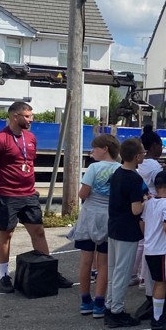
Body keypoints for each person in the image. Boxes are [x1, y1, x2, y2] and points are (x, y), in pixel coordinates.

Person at [0, 101, 72, 293]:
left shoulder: (30, 138)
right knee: (6, 234)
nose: (31, 120)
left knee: (38, 231)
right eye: (28, 116)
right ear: (15, 116)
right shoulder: (0, 140)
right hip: (7, 195)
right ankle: (4, 276)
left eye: (32, 116)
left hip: (29, 194)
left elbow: (27, 163)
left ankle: (49, 272)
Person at [67, 134, 121, 318]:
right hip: (109, 218)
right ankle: (99, 302)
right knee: (104, 262)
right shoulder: (120, 169)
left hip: (89, 217)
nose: (92, 153)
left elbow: (83, 194)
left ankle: (85, 301)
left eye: (94, 149)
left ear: (105, 149)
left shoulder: (94, 168)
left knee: (86, 260)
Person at [104, 138, 148, 328]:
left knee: (113, 270)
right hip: (128, 230)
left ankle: (110, 305)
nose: (144, 155)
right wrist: (147, 201)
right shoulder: (134, 178)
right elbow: (136, 210)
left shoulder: (117, 173)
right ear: (137, 156)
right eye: (143, 153)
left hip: (114, 226)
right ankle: (117, 311)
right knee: (123, 272)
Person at [140, 170, 166, 330]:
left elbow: (142, 223)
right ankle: (157, 317)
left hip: (149, 248)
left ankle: (158, 314)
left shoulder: (149, 203)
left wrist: (148, 235)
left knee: (157, 281)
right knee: (161, 283)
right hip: (160, 249)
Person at [133, 125, 165, 291]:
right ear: (154, 146)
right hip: (153, 204)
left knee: (141, 242)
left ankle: (132, 273)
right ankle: (144, 277)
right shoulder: (154, 166)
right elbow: (161, 185)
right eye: (161, 146)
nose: (162, 149)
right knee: (150, 242)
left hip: (141, 202)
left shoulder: (141, 163)